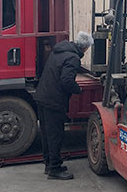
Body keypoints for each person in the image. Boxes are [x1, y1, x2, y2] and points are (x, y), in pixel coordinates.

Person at [33, 31, 94, 180]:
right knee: (56, 135)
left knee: (47, 134)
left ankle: (49, 164)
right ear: (85, 48)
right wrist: (78, 89)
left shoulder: (60, 50)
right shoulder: (73, 58)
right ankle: (55, 169)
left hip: (42, 96)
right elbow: (66, 80)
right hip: (54, 101)